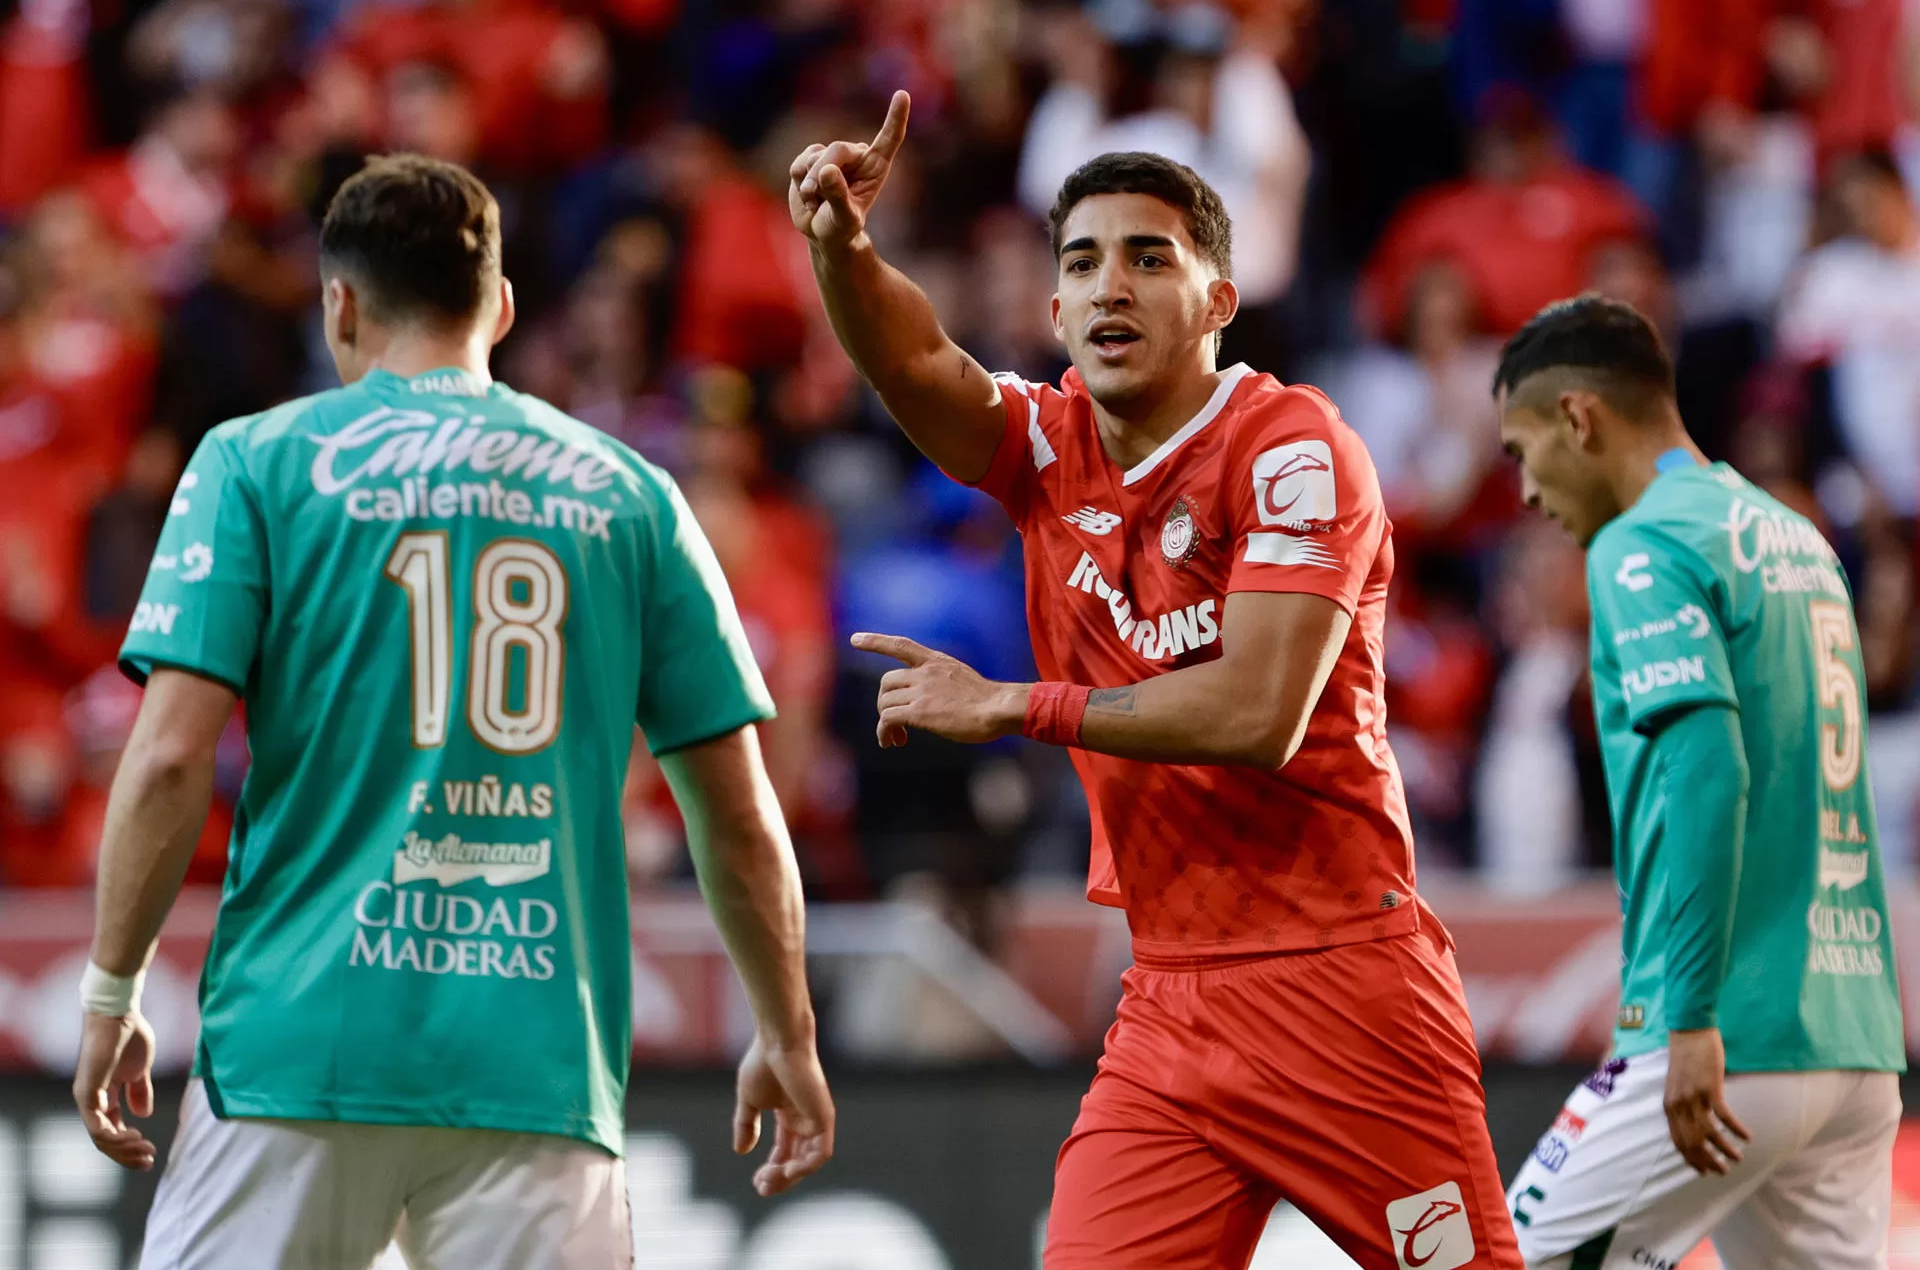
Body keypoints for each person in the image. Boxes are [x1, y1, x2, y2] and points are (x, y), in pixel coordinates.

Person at [793, 91, 1520, 1270]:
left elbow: (1259, 711)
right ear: (1056, 306)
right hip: (1172, 997)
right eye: (1082, 263)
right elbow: (916, 357)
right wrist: (841, 246)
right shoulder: (1047, 444)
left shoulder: (1292, 447)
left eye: (1148, 257)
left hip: (1341, 980)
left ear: (1218, 300)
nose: (1110, 285)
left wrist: (1015, 703)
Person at [71, 153, 834, 1268]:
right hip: (537, 1067)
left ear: (339, 301)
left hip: (299, 1046)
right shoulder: (632, 494)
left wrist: (112, 987)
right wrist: (788, 1027)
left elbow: (171, 755)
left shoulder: (255, 462)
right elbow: (739, 812)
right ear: (505, 308)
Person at [1495, 295, 1905, 1268]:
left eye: (1521, 449)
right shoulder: (1797, 538)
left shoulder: (1643, 544)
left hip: (1724, 1029)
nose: (1521, 490)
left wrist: (1688, 1019)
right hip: (1853, 1034)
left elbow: (1709, 769)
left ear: (1579, 419)